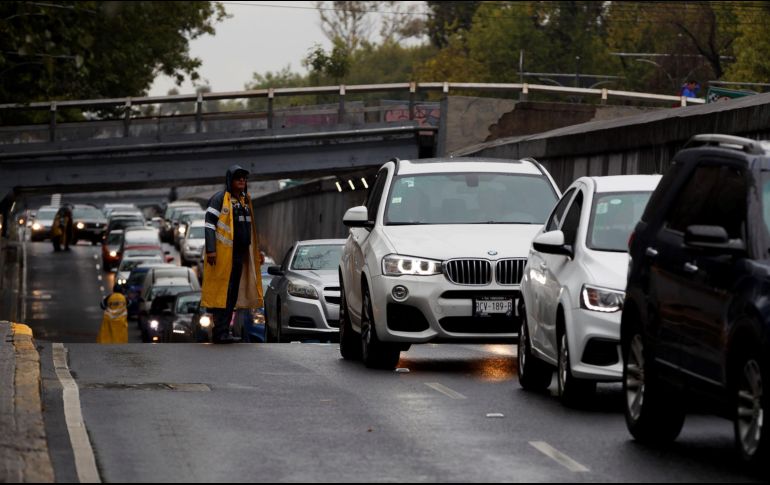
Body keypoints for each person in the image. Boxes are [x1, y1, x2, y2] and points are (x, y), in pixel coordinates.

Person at [201, 165, 264, 344]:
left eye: (244, 179)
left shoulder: (244, 201)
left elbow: (250, 231)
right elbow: (209, 224)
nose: (242, 181)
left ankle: (224, 330)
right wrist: (211, 250)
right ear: (230, 180)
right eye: (238, 178)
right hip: (222, 257)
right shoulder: (220, 199)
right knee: (223, 293)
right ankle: (220, 331)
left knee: (232, 294)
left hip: (239, 255)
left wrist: (256, 253)